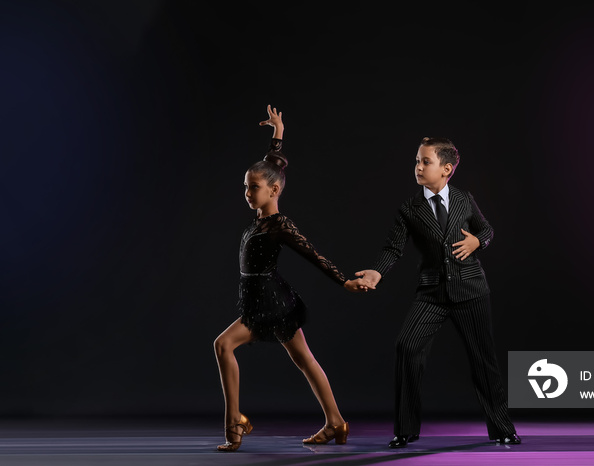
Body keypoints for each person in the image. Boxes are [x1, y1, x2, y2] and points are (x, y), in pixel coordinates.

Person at [213, 105, 368, 452]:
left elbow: (313, 254)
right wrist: (278, 134)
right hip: (264, 298)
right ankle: (336, 422)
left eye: (254, 188)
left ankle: (234, 424)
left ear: (274, 192)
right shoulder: (261, 216)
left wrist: (343, 281)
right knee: (304, 360)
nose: (248, 193)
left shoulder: (279, 225)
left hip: (272, 302)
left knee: (224, 345)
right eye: (245, 187)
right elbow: (273, 165)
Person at [356, 137, 521, 447]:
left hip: (471, 290)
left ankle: (503, 429)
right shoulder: (410, 208)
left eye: (425, 162)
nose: (418, 167)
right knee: (407, 347)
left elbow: (485, 230)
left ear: (446, 169)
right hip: (432, 293)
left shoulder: (463, 199)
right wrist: (377, 271)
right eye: (417, 161)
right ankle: (405, 429)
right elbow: (394, 247)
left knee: (483, 360)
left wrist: (478, 242)